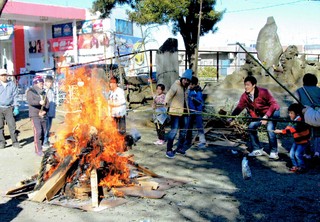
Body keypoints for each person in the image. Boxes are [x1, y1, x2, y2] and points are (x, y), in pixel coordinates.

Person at [230, 75, 281, 159]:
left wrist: (266, 116)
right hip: (260, 115)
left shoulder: (263, 92)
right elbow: (239, 107)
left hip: (273, 112)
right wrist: (231, 117)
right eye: (245, 85)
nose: (246, 87)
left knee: (270, 129)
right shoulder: (245, 96)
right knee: (251, 127)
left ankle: (274, 151)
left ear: (254, 85)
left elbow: (274, 104)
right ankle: (257, 149)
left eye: (248, 85)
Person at [274, 103, 310, 173]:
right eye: (289, 113)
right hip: (297, 140)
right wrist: (281, 131)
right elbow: (288, 127)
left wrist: (281, 131)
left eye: (291, 113)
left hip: (303, 141)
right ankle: (295, 166)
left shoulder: (300, 121)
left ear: (297, 114)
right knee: (291, 154)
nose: (289, 115)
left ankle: (302, 167)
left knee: (297, 154)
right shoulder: (293, 120)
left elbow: (292, 129)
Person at [164, 69, 192, 158]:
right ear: (182, 78)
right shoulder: (175, 85)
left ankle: (180, 148)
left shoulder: (186, 88)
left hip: (184, 112)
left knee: (183, 132)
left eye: (188, 80)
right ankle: (169, 150)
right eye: (185, 79)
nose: (186, 81)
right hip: (175, 113)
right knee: (174, 131)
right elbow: (169, 95)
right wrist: (165, 102)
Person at [295, 73, 320, 158]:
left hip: (305, 115)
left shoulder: (299, 91)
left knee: (306, 134)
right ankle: (317, 152)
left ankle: (307, 153)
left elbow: (295, 104)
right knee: (317, 134)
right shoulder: (319, 90)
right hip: (317, 115)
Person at [26, 76, 49, 156]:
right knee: (38, 131)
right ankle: (38, 150)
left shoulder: (44, 92)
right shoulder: (30, 91)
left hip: (42, 114)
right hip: (35, 115)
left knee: (44, 131)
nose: (42, 84)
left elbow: (47, 103)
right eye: (40, 83)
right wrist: (39, 102)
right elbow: (30, 101)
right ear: (36, 83)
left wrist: (45, 111)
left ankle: (41, 146)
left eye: (42, 83)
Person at [0, 69, 22, 149]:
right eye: (2, 75)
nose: (4, 77)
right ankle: (2, 142)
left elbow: (15, 96)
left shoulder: (11, 84)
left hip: (9, 108)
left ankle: (15, 142)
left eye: (5, 75)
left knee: (12, 125)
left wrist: (16, 107)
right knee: (0, 126)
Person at [184, 76, 206, 150]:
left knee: (199, 126)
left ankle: (202, 141)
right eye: (189, 84)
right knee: (188, 126)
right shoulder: (190, 90)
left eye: (191, 84)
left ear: (195, 84)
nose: (189, 86)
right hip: (190, 111)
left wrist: (194, 98)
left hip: (197, 111)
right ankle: (187, 140)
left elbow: (200, 101)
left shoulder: (198, 91)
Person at [43, 76, 56, 148]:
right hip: (46, 112)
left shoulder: (52, 91)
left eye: (51, 82)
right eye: (48, 82)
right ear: (46, 82)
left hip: (51, 112)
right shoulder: (44, 91)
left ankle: (47, 140)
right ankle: (44, 142)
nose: (50, 84)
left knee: (49, 127)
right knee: (46, 127)